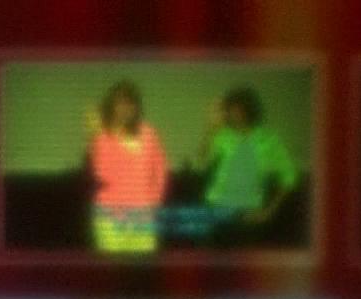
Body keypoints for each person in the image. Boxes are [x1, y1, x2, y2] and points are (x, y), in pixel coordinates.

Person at [194, 86, 299, 243]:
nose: (233, 114)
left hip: (249, 212)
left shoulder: (269, 139)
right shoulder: (223, 135)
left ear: (249, 110)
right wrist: (210, 128)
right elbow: (201, 161)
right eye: (230, 109)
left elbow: (289, 176)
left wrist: (270, 210)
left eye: (237, 109)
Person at [84, 80, 168, 255]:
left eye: (129, 103)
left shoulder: (148, 133)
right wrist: (95, 136)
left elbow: (160, 170)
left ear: (136, 106)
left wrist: (154, 202)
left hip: (142, 217)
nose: (124, 108)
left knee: (142, 268)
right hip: (110, 217)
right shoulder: (102, 136)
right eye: (119, 103)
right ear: (111, 107)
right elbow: (102, 174)